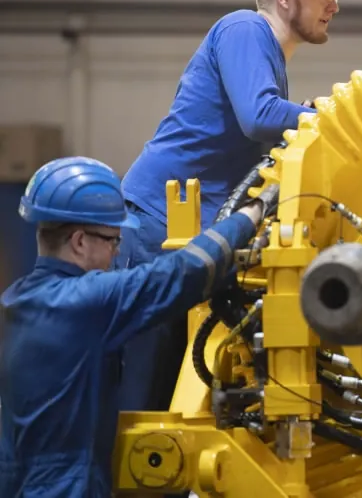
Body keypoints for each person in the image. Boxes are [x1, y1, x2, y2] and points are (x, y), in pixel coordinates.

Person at [115, 0, 357, 413]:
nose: (334, 5)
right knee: (144, 394)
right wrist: (339, 115)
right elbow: (260, 116)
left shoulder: (267, 55)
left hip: (190, 230)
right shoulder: (245, 29)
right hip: (158, 227)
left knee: (175, 389)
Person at [0, 156, 268, 497]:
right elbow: (183, 272)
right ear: (79, 241)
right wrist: (253, 213)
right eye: (112, 240)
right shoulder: (84, 302)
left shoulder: (15, 300)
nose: (116, 253)